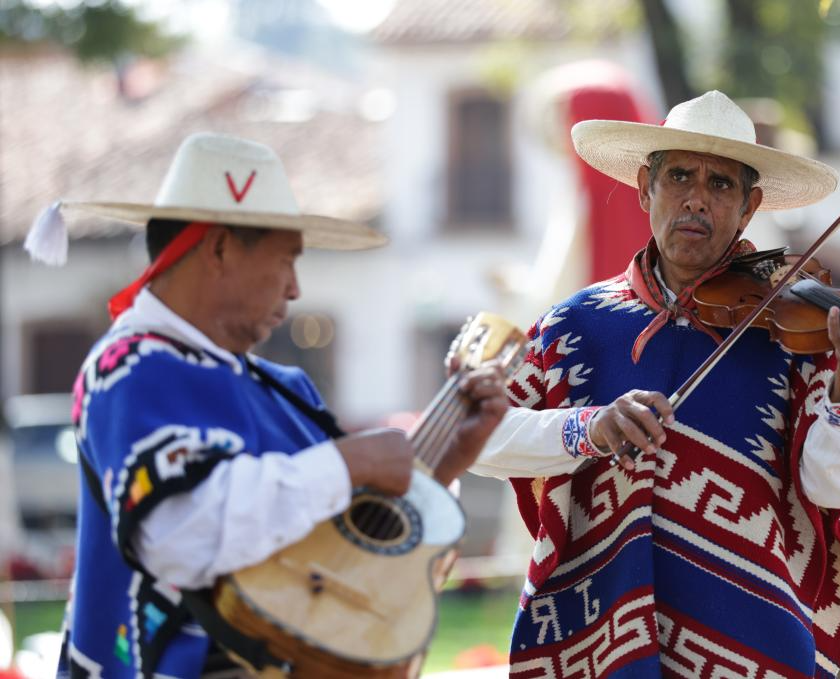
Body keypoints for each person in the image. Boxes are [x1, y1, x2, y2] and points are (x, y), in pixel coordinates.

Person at [25, 133, 509, 679]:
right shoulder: (130, 370)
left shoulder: (284, 388)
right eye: (286, 260)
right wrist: (351, 463)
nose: (296, 287)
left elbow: (344, 550)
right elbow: (180, 536)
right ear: (220, 249)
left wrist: (445, 461)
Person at [470, 91, 840, 678]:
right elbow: (482, 439)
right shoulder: (574, 327)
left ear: (750, 207)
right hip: (596, 636)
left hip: (750, 643)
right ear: (646, 185)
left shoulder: (793, 337)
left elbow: (835, 490)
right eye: (679, 176)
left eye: (721, 185)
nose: (696, 198)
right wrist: (587, 427)